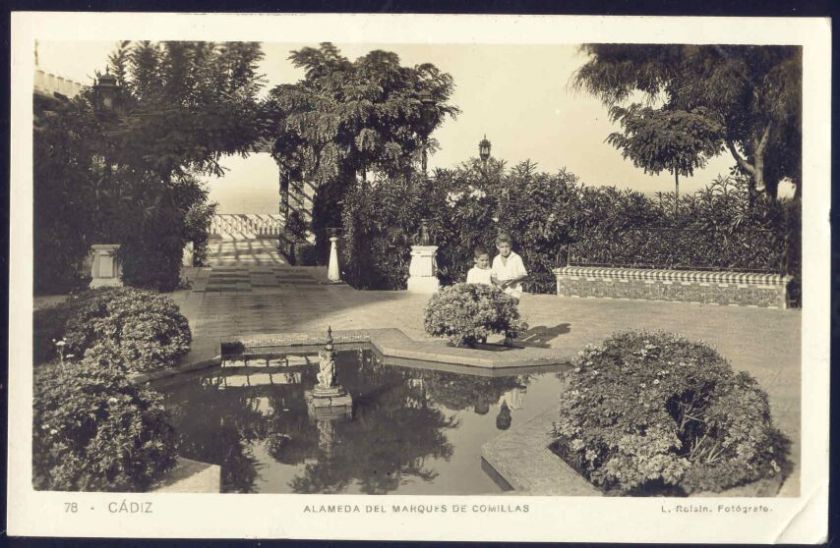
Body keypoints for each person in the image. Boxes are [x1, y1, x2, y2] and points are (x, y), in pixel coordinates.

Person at [491, 233, 528, 301]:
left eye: (506, 246)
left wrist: (514, 280)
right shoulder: (496, 259)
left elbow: (523, 274)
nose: (505, 250)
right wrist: (499, 282)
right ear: (497, 247)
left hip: (514, 292)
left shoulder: (516, 258)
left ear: (510, 246)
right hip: (500, 292)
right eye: (502, 247)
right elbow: (493, 277)